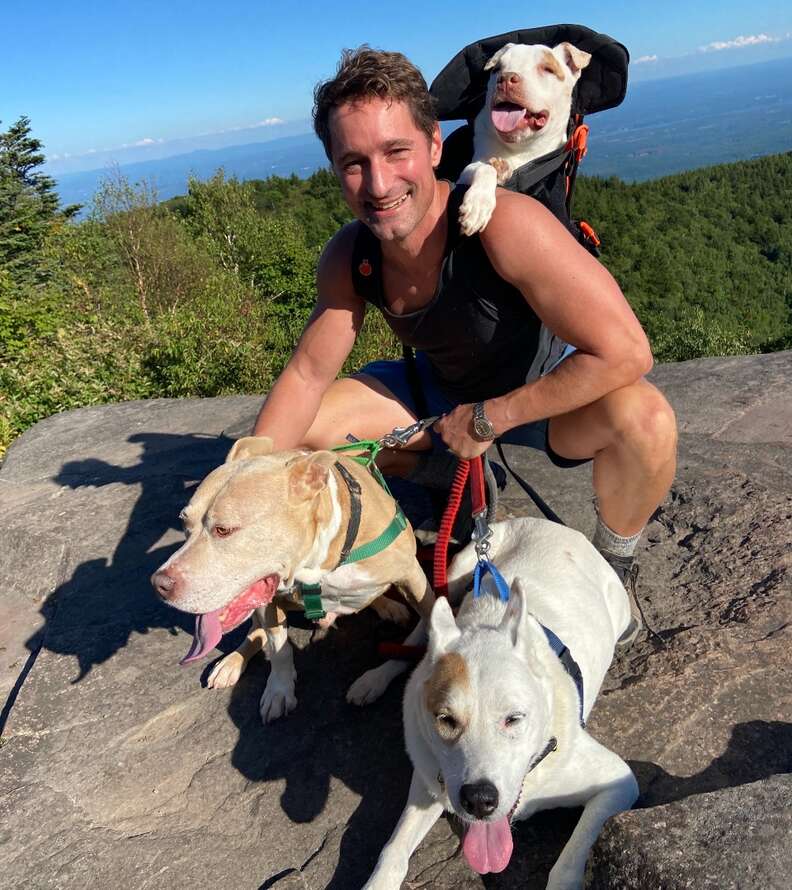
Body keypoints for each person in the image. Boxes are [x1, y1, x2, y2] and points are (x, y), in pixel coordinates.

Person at [251, 47, 677, 641]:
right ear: (334, 168)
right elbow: (305, 378)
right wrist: (243, 487)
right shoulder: (353, 255)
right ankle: (437, 470)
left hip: (538, 396)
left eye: (396, 151)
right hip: (439, 394)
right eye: (353, 162)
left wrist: (490, 419)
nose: (378, 184)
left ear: (433, 146)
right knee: (312, 428)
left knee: (646, 419)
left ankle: (613, 564)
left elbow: (627, 351)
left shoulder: (506, 223)